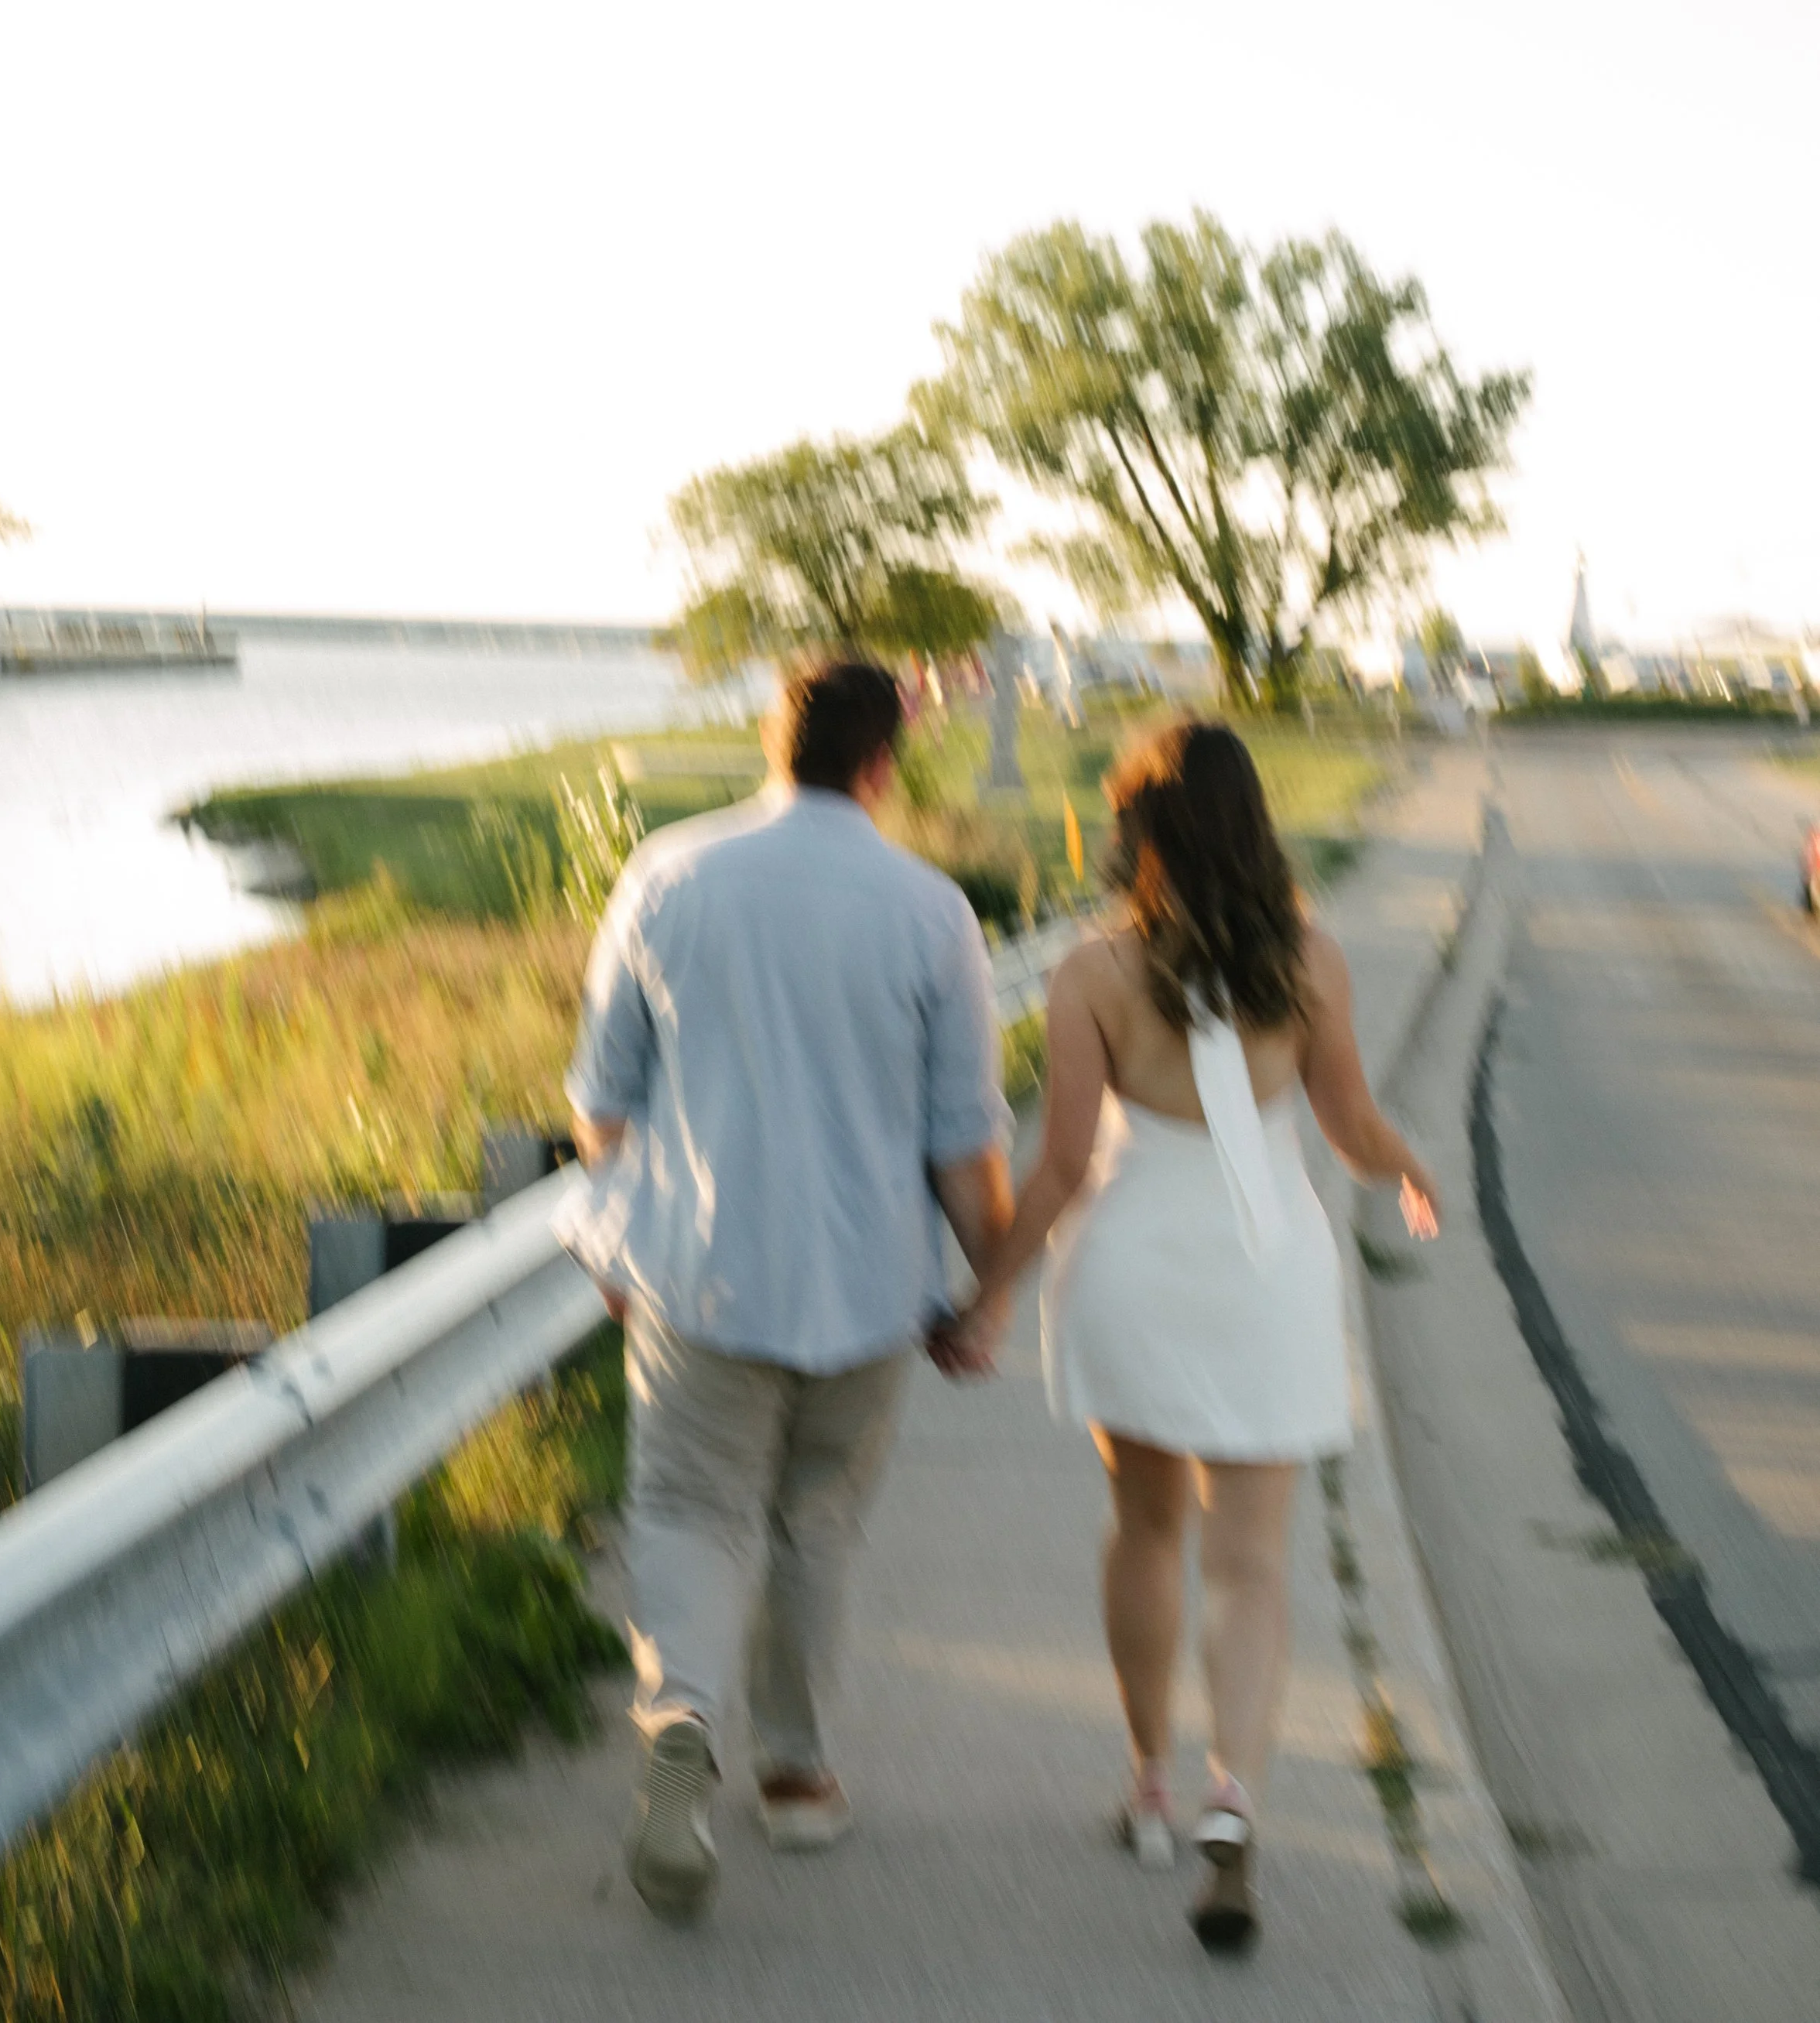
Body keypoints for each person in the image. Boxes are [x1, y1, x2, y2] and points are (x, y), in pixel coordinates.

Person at [952, 718, 1439, 1954]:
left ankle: (1151, 1784)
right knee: (1253, 1564)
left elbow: (1063, 1164)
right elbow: (1351, 1127)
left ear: (1139, 831)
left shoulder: (1094, 972)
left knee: (1147, 1527)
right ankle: (1238, 1795)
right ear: (1253, 821)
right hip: (1266, 1276)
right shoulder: (1311, 960)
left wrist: (988, 1292)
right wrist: (1410, 1167)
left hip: (1132, 1270)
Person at [562, 656, 1014, 1925]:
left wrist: (627, 1232)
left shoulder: (668, 874)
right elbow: (966, 1141)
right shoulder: (931, 910)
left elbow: (601, 1102)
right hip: (870, 1286)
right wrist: (987, 1291)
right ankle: (800, 1778)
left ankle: (682, 1718)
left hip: (698, 1274)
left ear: (773, 743)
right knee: (816, 1520)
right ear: (883, 762)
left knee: (690, 1508)